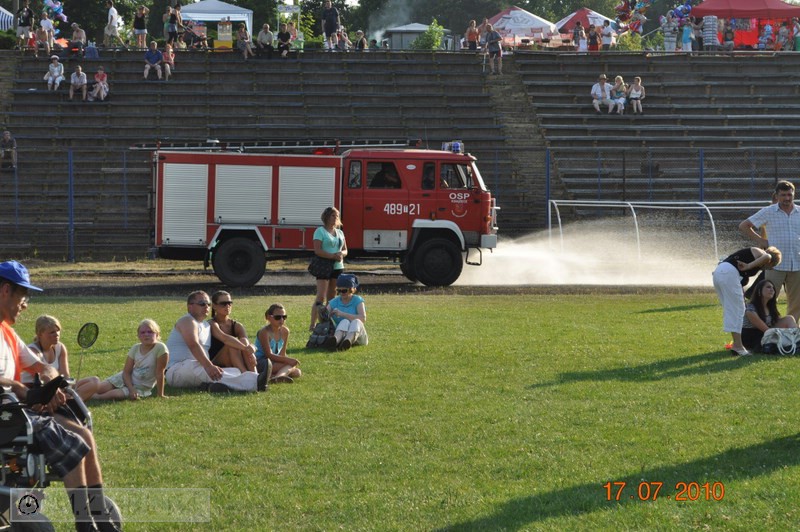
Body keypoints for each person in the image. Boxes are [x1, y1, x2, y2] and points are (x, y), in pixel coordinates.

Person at [0, 261, 120, 532]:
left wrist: (51, 383)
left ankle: (98, 515)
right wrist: (21, 389)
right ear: (6, 290)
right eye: (23, 295)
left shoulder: (7, 333)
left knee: (84, 436)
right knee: (72, 445)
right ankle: (85, 524)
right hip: (7, 414)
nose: (25, 305)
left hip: (16, 411)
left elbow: (42, 366)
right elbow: (10, 384)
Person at [165, 291, 268, 393]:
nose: (206, 306)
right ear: (190, 306)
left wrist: (248, 348)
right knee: (204, 370)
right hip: (177, 369)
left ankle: (212, 386)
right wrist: (209, 366)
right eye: (202, 303)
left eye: (208, 304)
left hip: (199, 366)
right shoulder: (187, 320)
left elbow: (228, 339)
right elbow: (194, 345)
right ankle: (254, 382)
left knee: (235, 371)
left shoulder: (206, 325)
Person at [740, 180, 800, 320]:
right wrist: (761, 240)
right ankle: (766, 327)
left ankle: (791, 330)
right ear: (777, 195)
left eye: (789, 195)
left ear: (794, 195)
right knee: (767, 299)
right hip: (775, 265)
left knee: (797, 303)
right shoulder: (768, 212)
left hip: (797, 264)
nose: (787, 198)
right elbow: (744, 226)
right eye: (783, 195)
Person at [712, 246, 782, 356]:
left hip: (721, 273)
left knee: (733, 309)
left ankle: (738, 344)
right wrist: (748, 266)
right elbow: (767, 256)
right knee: (738, 310)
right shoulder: (761, 253)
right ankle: (738, 346)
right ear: (771, 262)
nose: (770, 269)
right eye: (771, 266)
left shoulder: (756, 260)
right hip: (727, 273)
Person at [23, 315, 100, 402]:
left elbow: (65, 377)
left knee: (94, 381)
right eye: (52, 332)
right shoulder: (33, 351)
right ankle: (71, 402)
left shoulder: (60, 347)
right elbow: (42, 380)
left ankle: (68, 400)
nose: (57, 334)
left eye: (58, 330)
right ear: (40, 334)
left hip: (56, 387)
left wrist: (66, 388)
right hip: (35, 389)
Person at [93, 319, 169, 400]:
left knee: (116, 394)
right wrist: (130, 388)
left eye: (150, 332)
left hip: (141, 386)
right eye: (143, 332)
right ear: (138, 336)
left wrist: (160, 394)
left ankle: (95, 397)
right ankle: (84, 390)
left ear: (157, 334)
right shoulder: (135, 348)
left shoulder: (160, 348)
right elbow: (126, 372)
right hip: (126, 378)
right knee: (100, 388)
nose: (146, 334)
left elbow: (160, 373)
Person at [309, 207, 347, 331]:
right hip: (324, 267)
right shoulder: (320, 231)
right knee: (321, 296)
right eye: (332, 215)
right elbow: (317, 250)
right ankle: (313, 324)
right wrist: (332, 256)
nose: (335, 218)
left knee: (332, 297)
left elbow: (345, 250)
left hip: (338, 267)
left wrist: (341, 254)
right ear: (326, 217)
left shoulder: (340, 232)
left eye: (337, 216)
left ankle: (328, 322)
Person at [207, 290, 256, 375]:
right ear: (214, 306)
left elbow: (247, 343)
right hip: (215, 362)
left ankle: (255, 374)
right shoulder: (211, 324)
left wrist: (252, 349)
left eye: (229, 303)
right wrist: (247, 349)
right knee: (231, 345)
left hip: (233, 359)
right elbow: (225, 338)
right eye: (223, 304)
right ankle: (245, 375)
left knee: (243, 340)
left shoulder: (237, 325)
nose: (227, 306)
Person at [741, 279, 798, 351]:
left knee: (789, 319)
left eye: (773, 288)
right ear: (759, 291)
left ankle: (796, 340)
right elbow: (766, 330)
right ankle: (793, 342)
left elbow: (777, 325)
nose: (772, 290)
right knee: (776, 337)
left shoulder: (770, 307)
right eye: (768, 287)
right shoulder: (751, 309)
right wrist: (784, 335)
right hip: (752, 337)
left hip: (766, 333)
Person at [255, 304, 301, 383]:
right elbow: (269, 355)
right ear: (269, 317)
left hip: (274, 361)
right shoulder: (264, 332)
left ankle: (273, 377)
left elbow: (282, 354)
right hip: (262, 362)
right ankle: (279, 376)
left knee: (297, 372)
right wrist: (288, 360)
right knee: (289, 366)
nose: (281, 320)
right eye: (278, 317)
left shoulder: (285, 331)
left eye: (284, 317)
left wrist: (287, 360)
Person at [326, 274, 368, 351]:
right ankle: (335, 341)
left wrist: (342, 314)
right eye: (339, 291)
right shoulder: (334, 302)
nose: (341, 293)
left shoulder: (358, 300)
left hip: (358, 336)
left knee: (356, 321)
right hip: (342, 335)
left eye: (344, 291)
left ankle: (348, 341)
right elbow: (324, 315)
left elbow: (363, 318)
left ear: (351, 289)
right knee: (344, 321)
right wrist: (324, 313)